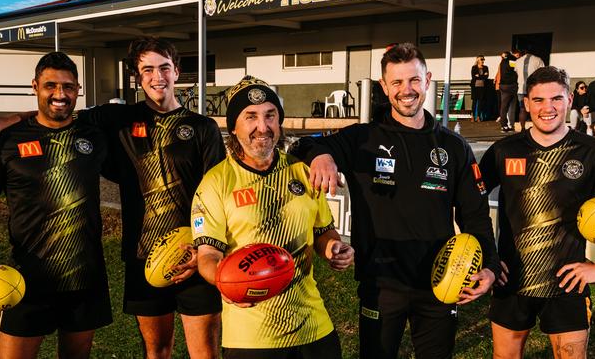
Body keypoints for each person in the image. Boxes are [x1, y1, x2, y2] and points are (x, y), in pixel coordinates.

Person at [0, 37, 224, 359]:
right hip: (130, 260)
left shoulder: (200, 127)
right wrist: (1, 120)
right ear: (137, 76)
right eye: (148, 69)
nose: (157, 77)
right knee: (156, 351)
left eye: (164, 68)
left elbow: (217, 192)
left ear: (176, 72)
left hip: (184, 256)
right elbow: (55, 111)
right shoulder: (115, 121)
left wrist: (207, 248)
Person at [291, 42, 501, 359]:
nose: (407, 90)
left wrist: (490, 265)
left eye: (414, 80)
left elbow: (475, 216)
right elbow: (300, 144)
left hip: (441, 281)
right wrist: (321, 155)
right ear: (384, 87)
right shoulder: (363, 138)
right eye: (398, 82)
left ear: (427, 80)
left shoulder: (453, 147)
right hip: (381, 283)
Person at [192, 75, 355, 358]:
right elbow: (207, 254)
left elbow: (323, 231)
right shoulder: (215, 182)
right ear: (233, 126)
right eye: (250, 117)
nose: (262, 127)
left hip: (314, 327)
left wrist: (333, 248)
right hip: (252, 337)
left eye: (270, 116)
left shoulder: (303, 172)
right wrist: (224, 280)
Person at [0, 52, 111, 358]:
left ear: (78, 89)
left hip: (84, 277)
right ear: (35, 86)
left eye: (68, 87)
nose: (60, 94)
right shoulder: (5, 142)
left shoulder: (94, 134)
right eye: (51, 86)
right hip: (25, 278)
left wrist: (2, 117)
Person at [479, 66, 595, 359]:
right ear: (526, 103)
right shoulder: (504, 150)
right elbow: (470, 204)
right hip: (511, 279)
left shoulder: (593, 152)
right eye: (538, 100)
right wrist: (488, 258)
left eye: (556, 98)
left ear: (569, 99)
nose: (547, 108)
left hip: (568, 283)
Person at [515, 48, 545, 131]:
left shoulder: (518, 61)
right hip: (534, 89)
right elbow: (542, 73)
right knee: (536, 108)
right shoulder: (538, 60)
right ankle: (536, 128)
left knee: (522, 109)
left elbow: (516, 72)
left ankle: (522, 128)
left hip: (521, 89)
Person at [498, 49, 519, 132]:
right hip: (511, 85)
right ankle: (510, 124)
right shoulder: (512, 61)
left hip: (502, 85)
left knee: (504, 106)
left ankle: (504, 124)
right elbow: (516, 70)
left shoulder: (502, 62)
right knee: (512, 106)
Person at [470, 55, 489, 122]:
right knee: (474, 101)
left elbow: (486, 77)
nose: (483, 61)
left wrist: (479, 76)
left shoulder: (485, 67)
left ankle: (478, 116)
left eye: (483, 59)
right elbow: (473, 77)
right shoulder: (474, 67)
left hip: (482, 86)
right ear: (478, 60)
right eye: (481, 59)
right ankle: (472, 116)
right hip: (475, 86)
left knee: (480, 102)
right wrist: (483, 75)